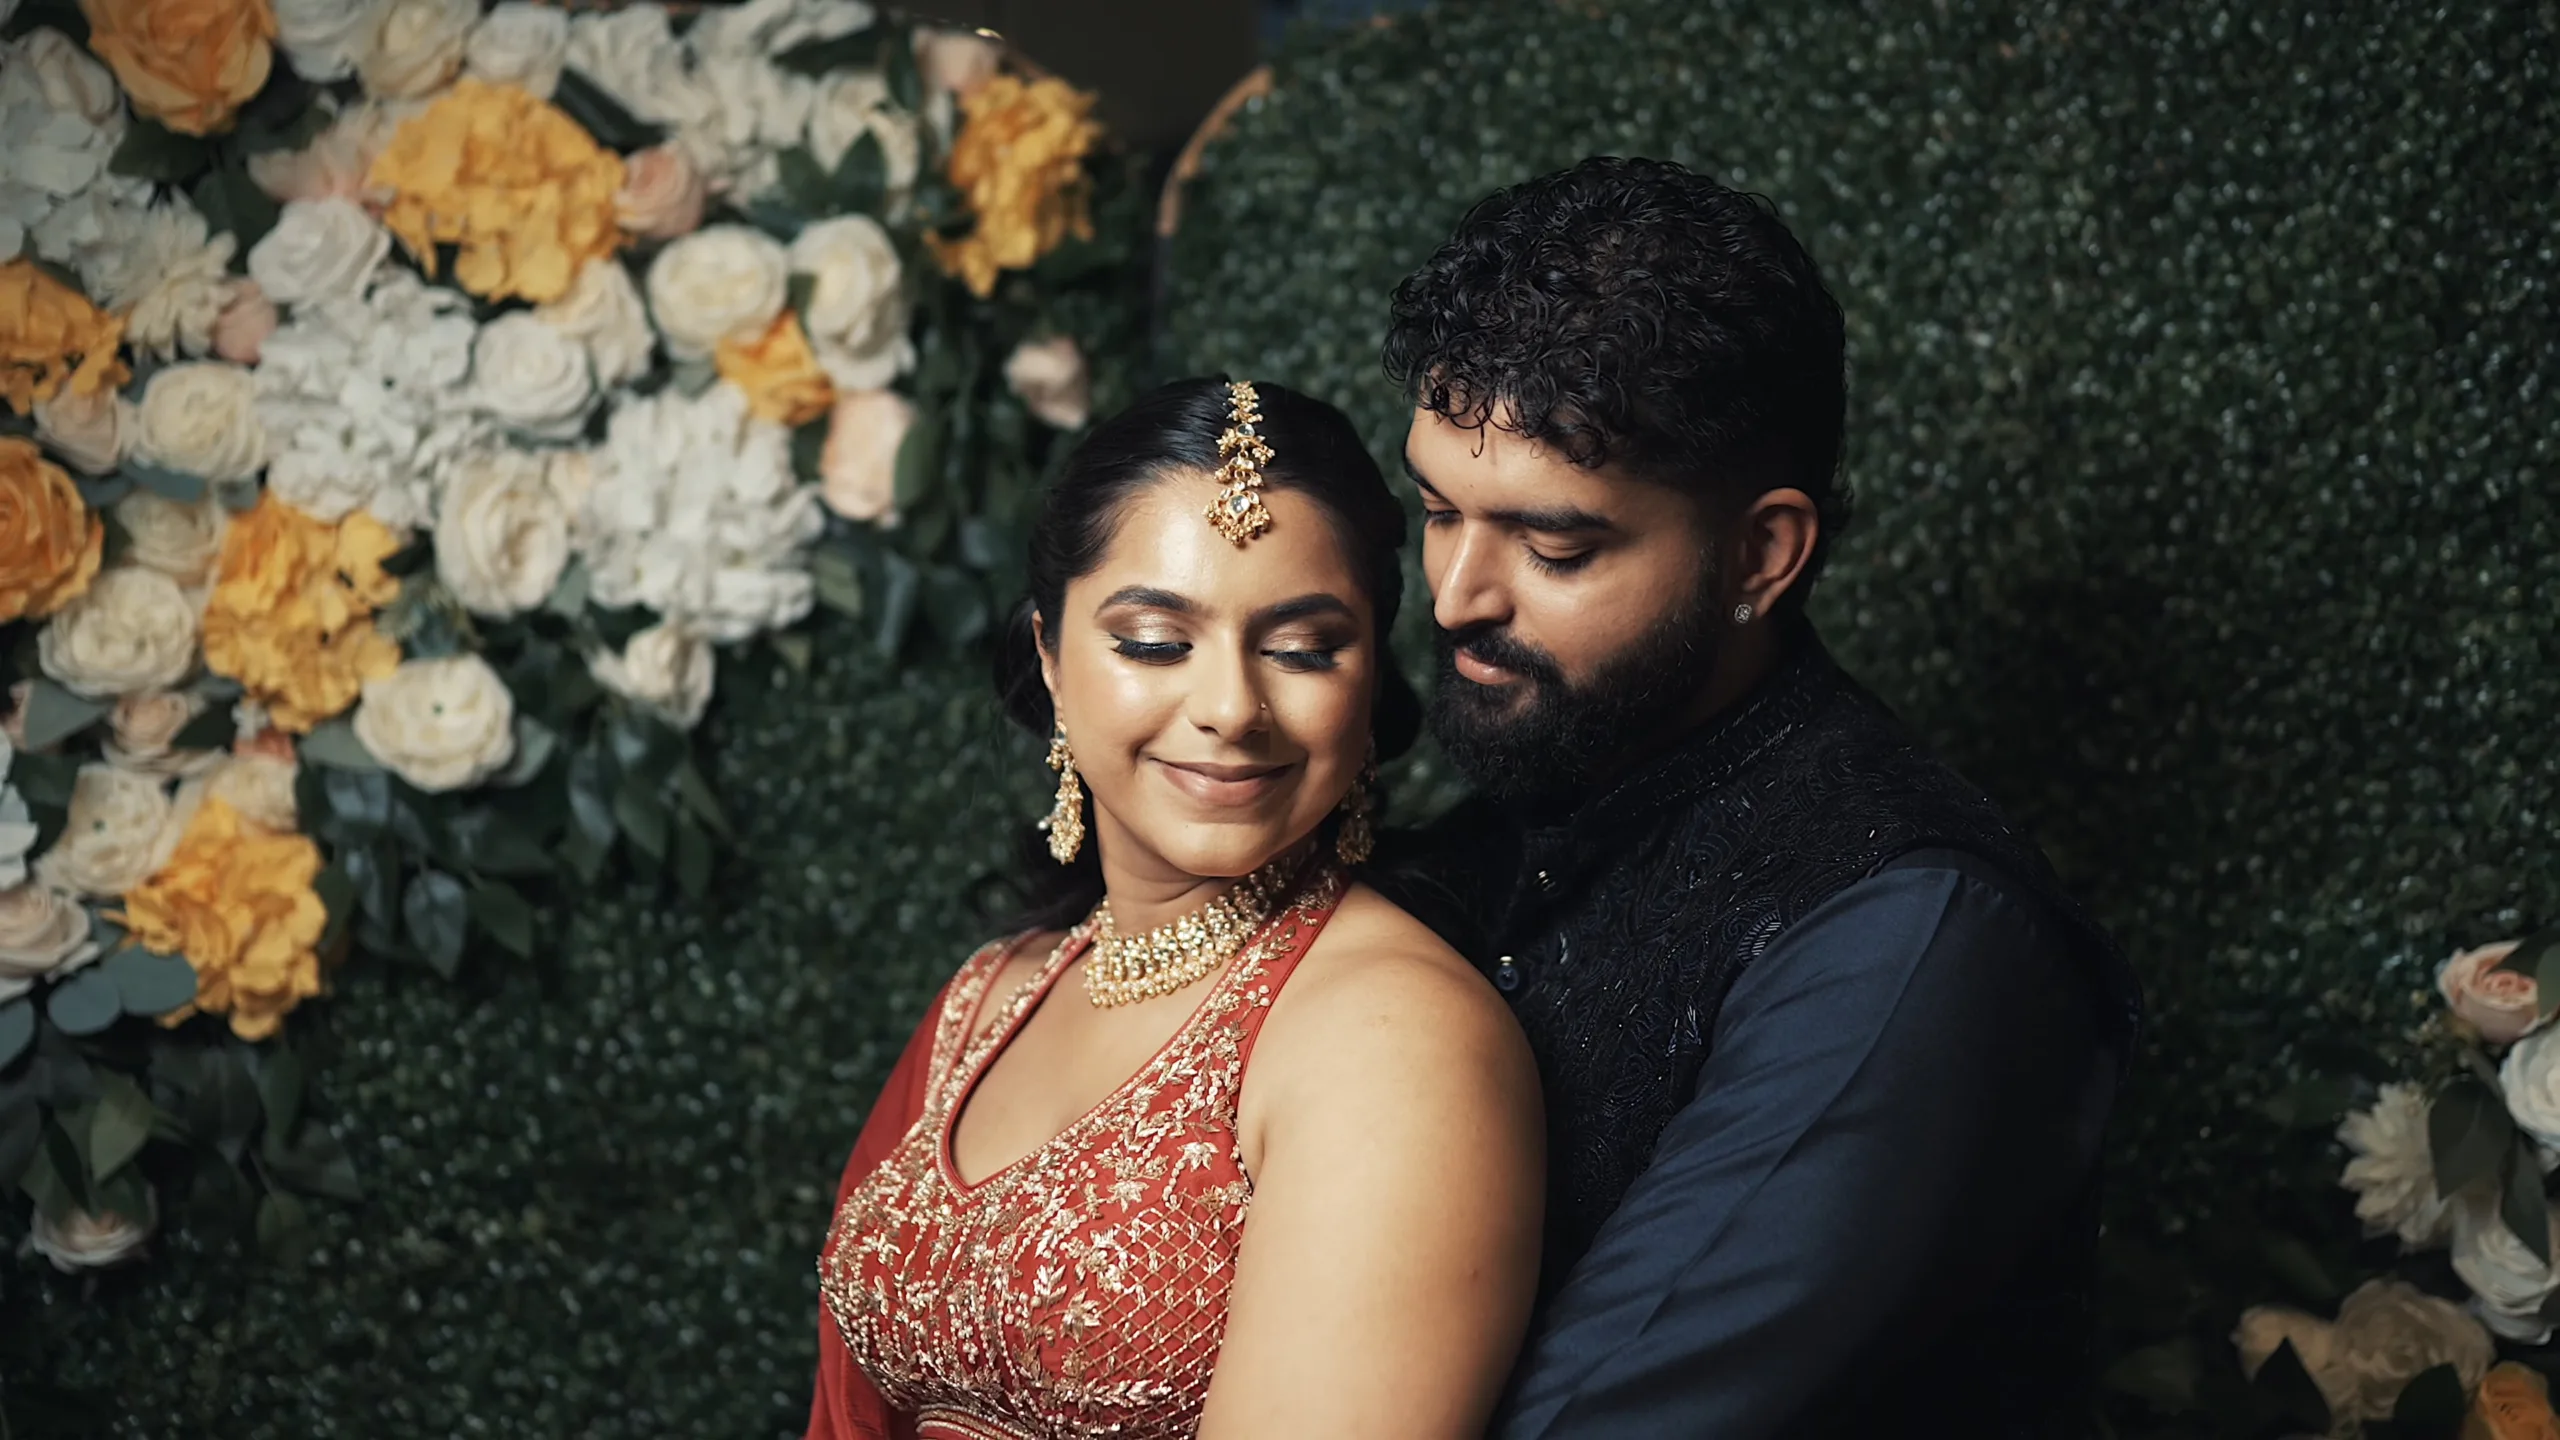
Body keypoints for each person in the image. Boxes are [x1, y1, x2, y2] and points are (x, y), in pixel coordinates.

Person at [1378, 156, 2144, 1437]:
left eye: (1553, 546)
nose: (1456, 595)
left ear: (1759, 554)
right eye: (1436, 510)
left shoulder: (1909, 939)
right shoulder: (1510, 802)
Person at [804, 378, 1544, 1440]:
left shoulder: (1395, 1040)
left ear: (1370, 682)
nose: (1230, 709)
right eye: (1154, 642)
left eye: (1302, 649)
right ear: (1051, 659)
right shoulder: (985, 1001)